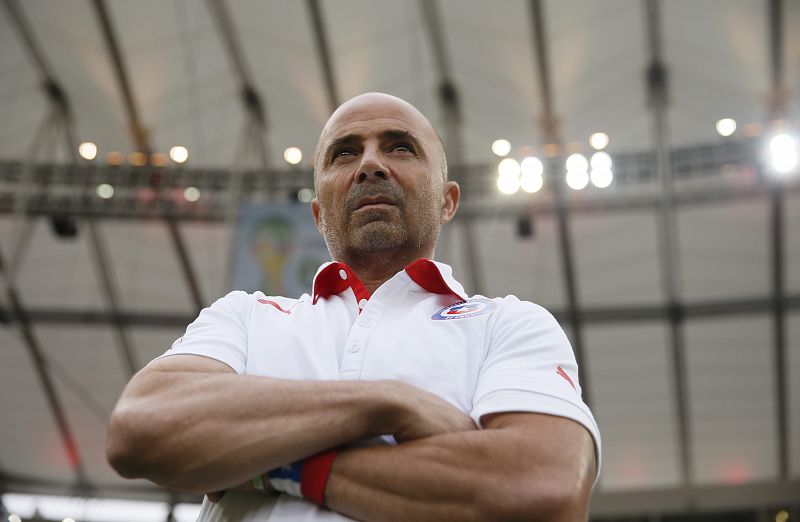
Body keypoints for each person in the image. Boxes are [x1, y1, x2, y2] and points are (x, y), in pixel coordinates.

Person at [106, 92, 601, 521]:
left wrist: (268, 464)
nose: (370, 164)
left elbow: (544, 493)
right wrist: (386, 402)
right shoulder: (245, 316)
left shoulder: (509, 325)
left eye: (400, 147)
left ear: (448, 201)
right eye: (344, 153)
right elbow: (140, 429)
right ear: (319, 213)